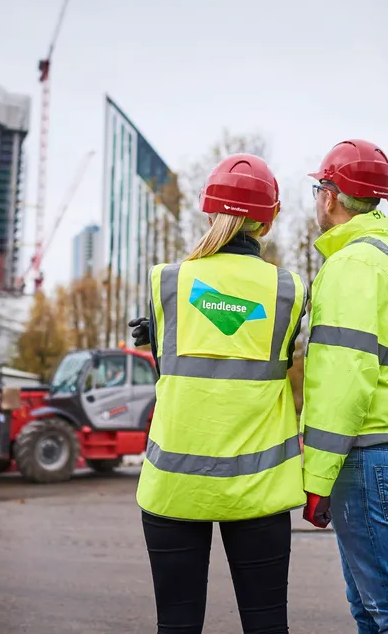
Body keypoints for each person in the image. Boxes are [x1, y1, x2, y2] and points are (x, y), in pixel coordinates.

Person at [128, 153, 309, 634]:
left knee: (178, 624)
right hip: (259, 487)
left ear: (211, 211)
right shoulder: (289, 290)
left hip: (174, 484)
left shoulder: (168, 281)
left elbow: (167, 367)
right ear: (267, 221)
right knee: (267, 623)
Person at [299, 139, 388, 633]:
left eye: (320, 188)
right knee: (372, 609)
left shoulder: (351, 266)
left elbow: (343, 381)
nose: (318, 198)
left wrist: (316, 480)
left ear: (331, 196)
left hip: (368, 454)